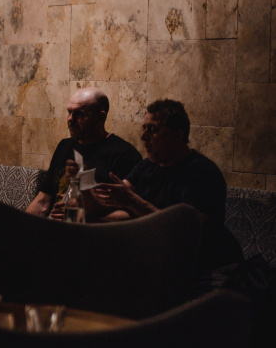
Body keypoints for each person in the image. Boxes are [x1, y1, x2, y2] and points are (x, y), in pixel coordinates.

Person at [93, 99, 243, 275]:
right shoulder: (146, 167)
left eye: (153, 130)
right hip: (160, 260)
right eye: (144, 128)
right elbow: (116, 197)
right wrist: (82, 201)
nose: (143, 137)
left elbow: (185, 231)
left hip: (205, 266)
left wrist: (131, 201)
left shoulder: (202, 172)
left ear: (177, 136)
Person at [25, 87, 142, 221]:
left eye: (79, 114)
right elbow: (43, 201)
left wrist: (80, 217)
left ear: (100, 117)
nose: (70, 119)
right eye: (69, 112)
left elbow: (130, 215)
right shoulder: (65, 146)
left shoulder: (124, 155)